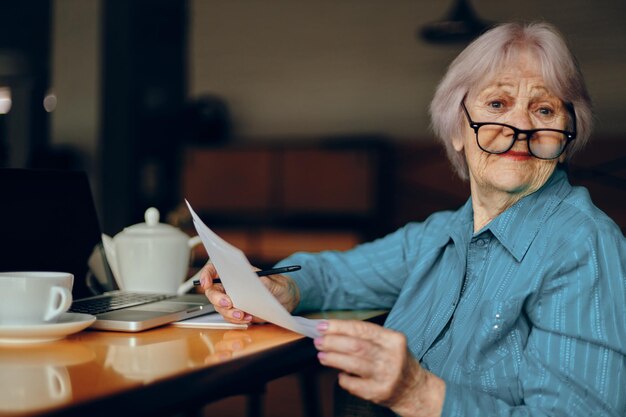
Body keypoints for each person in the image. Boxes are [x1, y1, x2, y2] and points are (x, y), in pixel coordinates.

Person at [199, 22, 626, 416]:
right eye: (498, 103)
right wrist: (283, 286)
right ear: (457, 131)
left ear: (567, 136)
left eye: (545, 110)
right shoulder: (441, 234)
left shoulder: (582, 245)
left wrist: (417, 393)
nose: (519, 124)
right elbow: (335, 274)